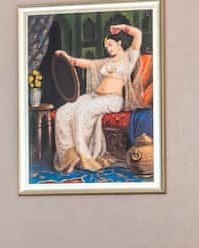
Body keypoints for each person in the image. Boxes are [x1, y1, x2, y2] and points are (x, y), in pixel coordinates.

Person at [53, 23, 144, 173]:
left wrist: (122, 28)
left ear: (119, 43)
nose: (108, 48)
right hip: (94, 96)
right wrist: (67, 58)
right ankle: (69, 156)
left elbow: (138, 34)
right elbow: (87, 63)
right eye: (106, 46)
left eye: (110, 44)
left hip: (113, 100)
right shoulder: (106, 62)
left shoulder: (129, 58)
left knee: (82, 110)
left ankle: (84, 156)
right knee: (64, 111)